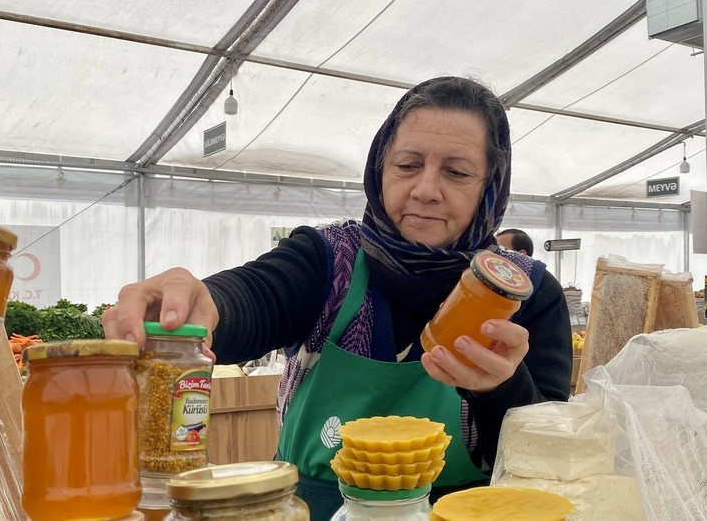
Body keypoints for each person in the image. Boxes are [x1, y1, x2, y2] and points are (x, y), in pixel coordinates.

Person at [103, 76, 572, 520]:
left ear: (490, 185)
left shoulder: (522, 294)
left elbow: (549, 459)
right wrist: (204, 304)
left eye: (457, 172)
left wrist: (501, 390)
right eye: (407, 165)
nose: (426, 190)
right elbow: (255, 296)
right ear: (379, 169)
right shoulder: (328, 261)